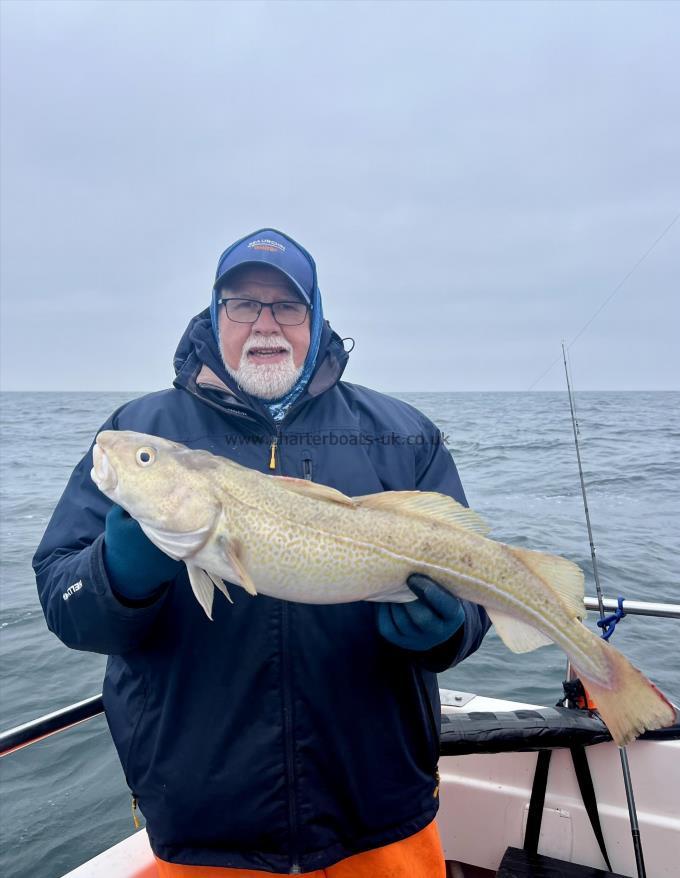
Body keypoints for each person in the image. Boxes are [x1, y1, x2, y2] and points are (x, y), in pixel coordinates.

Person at [33, 228, 490, 877]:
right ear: (215, 317)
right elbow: (62, 596)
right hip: (204, 831)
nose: (265, 323)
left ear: (316, 317)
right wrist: (118, 571)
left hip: (379, 818)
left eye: (287, 306)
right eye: (243, 304)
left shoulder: (401, 435)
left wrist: (450, 626)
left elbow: (475, 590)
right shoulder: (145, 433)